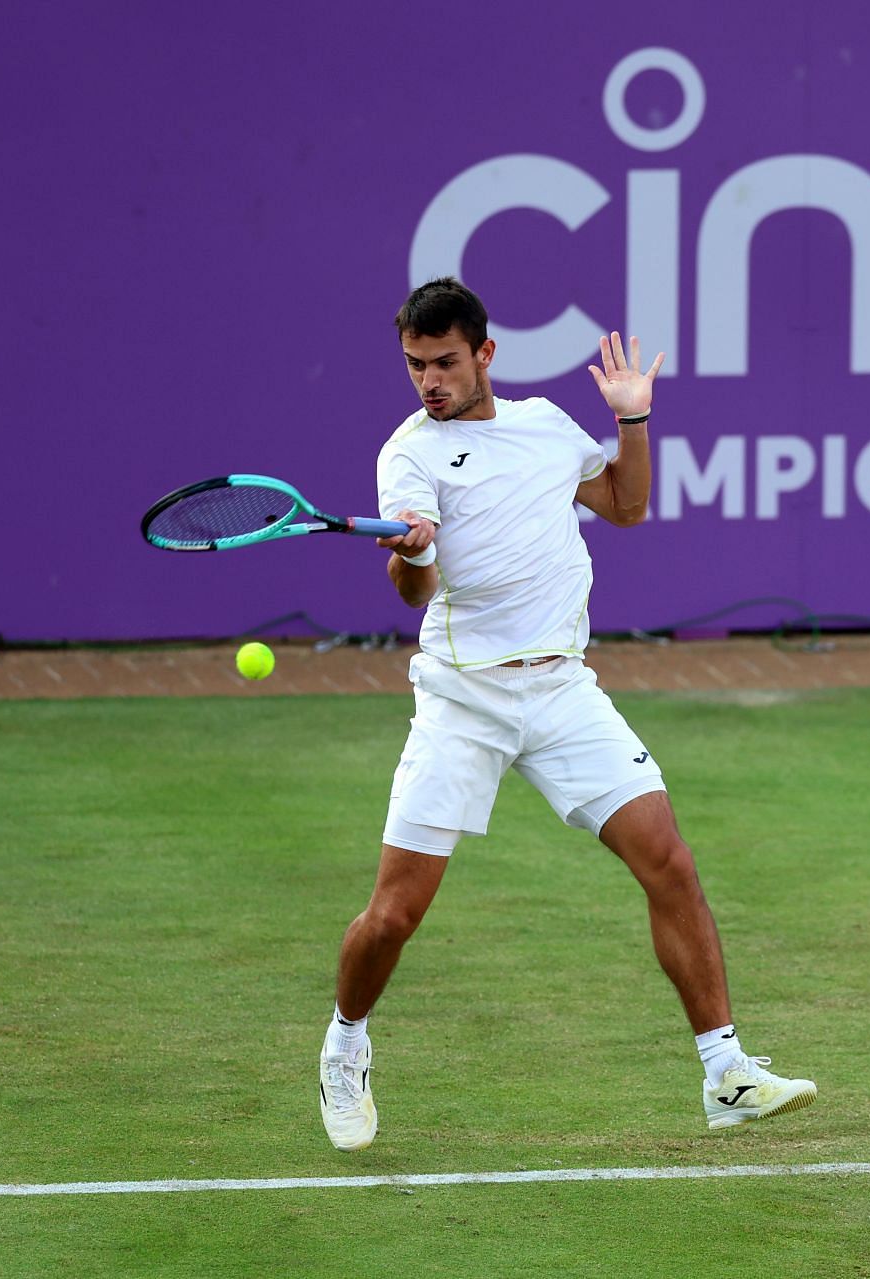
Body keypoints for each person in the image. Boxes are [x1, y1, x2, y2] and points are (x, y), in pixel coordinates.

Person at [316, 277, 816, 1150]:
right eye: (414, 365)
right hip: (463, 699)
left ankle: (725, 1073)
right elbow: (413, 592)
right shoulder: (410, 456)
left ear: (484, 355)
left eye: (443, 362)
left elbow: (627, 506)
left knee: (669, 860)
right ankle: (345, 1041)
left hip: (560, 689)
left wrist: (632, 421)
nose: (428, 381)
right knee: (395, 913)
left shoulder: (545, 429)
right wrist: (412, 552)